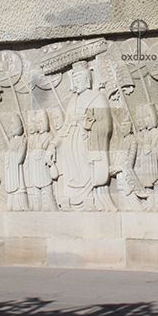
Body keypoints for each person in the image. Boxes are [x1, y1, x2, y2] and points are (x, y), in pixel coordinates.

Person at [62, 62, 114, 210]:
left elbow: (106, 126)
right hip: (71, 146)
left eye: (78, 79)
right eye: (74, 79)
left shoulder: (97, 98)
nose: (75, 83)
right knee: (71, 173)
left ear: (86, 79)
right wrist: (54, 144)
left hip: (87, 143)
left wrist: (88, 127)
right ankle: (71, 200)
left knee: (86, 171)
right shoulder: (72, 101)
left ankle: (92, 199)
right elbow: (66, 125)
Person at [24, 110, 58, 211]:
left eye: (41, 122)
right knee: (36, 195)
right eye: (37, 122)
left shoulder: (49, 136)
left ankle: (53, 209)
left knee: (48, 192)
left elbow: (51, 150)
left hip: (44, 170)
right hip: (35, 170)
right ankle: (36, 210)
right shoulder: (35, 137)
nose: (39, 125)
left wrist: (43, 151)